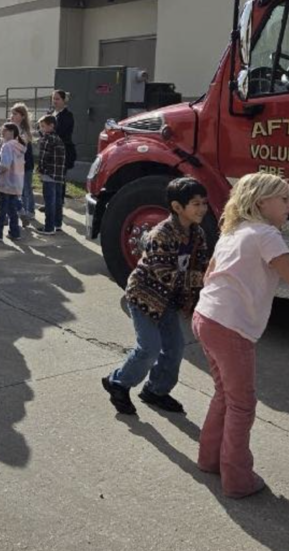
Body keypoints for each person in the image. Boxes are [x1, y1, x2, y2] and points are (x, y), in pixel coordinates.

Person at [193, 172, 289, 498]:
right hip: (231, 328)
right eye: (284, 199)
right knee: (242, 405)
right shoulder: (266, 234)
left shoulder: (233, 230)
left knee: (224, 395)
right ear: (262, 202)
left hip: (206, 317)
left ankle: (209, 459)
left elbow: (208, 275)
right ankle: (237, 480)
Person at [102, 178, 210, 416]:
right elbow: (165, 275)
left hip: (168, 301)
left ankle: (156, 390)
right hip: (144, 296)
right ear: (177, 207)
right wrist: (204, 279)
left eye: (204, 203)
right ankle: (118, 383)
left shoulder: (197, 234)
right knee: (149, 348)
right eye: (196, 203)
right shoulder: (160, 234)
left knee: (175, 348)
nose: (202, 208)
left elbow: (202, 265)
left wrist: (194, 296)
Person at [0, 122, 26, 241]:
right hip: (16, 181)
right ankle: (15, 232)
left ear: (11, 132)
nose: (2, 133)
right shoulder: (19, 145)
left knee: (2, 209)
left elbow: (5, 165)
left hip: (6, 182)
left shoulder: (7, 146)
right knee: (12, 209)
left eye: (4, 131)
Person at [34, 115, 66, 235]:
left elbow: (43, 157)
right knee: (57, 200)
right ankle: (57, 224)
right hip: (59, 174)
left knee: (49, 201)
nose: (41, 129)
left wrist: (40, 169)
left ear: (51, 125)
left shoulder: (47, 138)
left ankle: (48, 227)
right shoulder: (58, 138)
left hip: (49, 173)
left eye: (43, 126)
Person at [50, 90, 75, 232]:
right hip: (52, 152)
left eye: (57, 99)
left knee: (60, 181)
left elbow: (61, 132)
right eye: (53, 99)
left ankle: (58, 207)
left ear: (64, 100)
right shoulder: (52, 113)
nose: (55, 101)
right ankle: (52, 205)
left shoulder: (67, 116)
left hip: (62, 153)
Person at [10, 103, 35, 223]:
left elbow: (21, 147)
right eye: (12, 113)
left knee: (26, 189)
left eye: (15, 114)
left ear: (22, 116)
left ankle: (30, 211)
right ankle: (20, 211)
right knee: (16, 189)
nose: (12, 116)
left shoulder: (24, 131)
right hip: (14, 165)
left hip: (26, 164)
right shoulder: (11, 128)